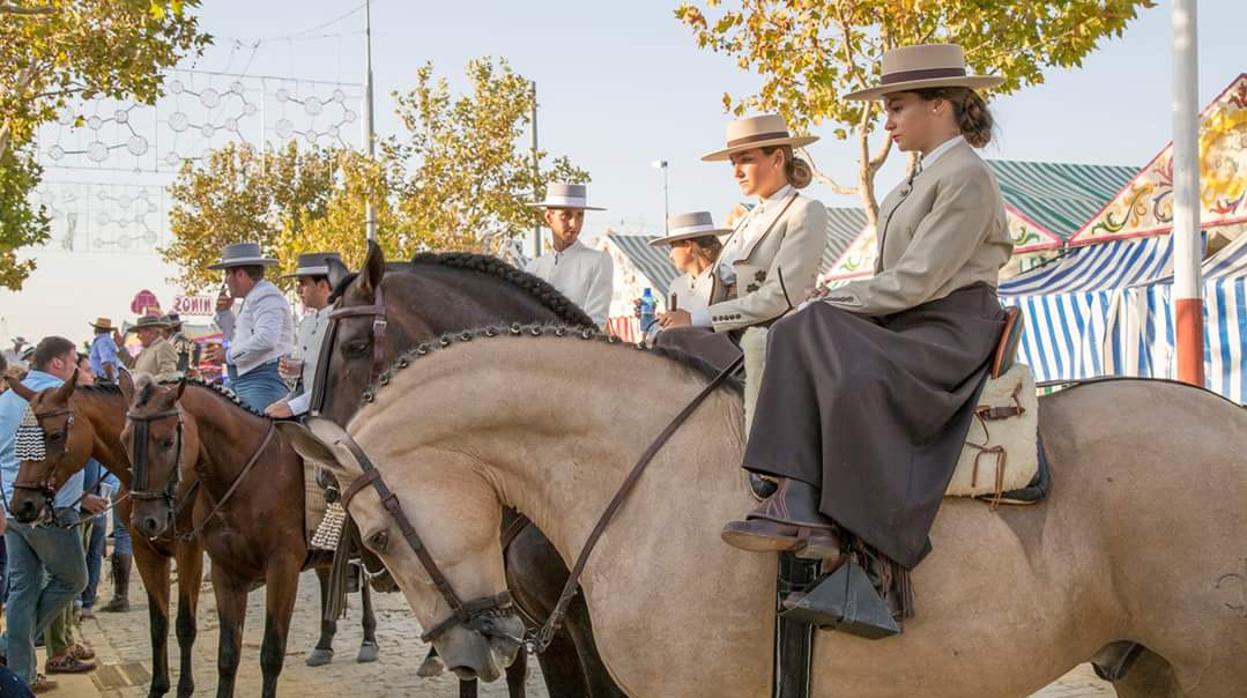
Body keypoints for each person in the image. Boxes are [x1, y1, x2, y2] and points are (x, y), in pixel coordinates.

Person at [721, 44, 1013, 634]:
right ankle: (797, 495)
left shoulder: (966, 176)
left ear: (940, 104)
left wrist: (837, 299)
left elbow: (922, 278)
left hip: (948, 328)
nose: (887, 121)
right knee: (802, 328)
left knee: (807, 324)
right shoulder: (924, 174)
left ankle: (823, 519)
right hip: (917, 317)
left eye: (897, 107)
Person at [659, 113, 829, 432]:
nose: (736, 171)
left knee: (676, 339)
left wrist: (695, 320)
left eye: (746, 160)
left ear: (777, 157)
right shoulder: (746, 221)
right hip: (729, 339)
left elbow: (778, 298)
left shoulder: (804, 212)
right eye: (733, 163)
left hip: (771, 343)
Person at [0, 337, 108, 692]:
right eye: (75, 360)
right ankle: (10, 647)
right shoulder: (65, 400)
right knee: (73, 579)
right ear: (58, 364)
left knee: (22, 589)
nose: (78, 368)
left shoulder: (5, 401)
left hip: (11, 506)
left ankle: (22, 673)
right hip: (50, 507)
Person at [642, 211, 741, 371]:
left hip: (723, 367)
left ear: (688, 245)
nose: (670, 255)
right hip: (684, 366)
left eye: (673, 246)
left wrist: (690, 320)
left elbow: (740, 314)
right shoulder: (676, 285)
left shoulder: (728, 276)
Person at [204, 242, 294, 412]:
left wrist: (229, 355)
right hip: (246, 379)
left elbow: (267, 339)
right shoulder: (256, 297)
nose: (225, 281)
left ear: (240, 274)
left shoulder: (266, 296)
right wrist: (223, 313)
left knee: (257, 435)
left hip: (262, 381)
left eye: (227, 274)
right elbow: (239, 337)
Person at [526, 183, 614, 328]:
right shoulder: (533, 268)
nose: (574, 224)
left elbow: (595, 322)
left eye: (580, 215)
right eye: (566, 215)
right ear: (549, 217)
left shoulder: (599, 262)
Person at [265, 252, 342, 419]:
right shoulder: (307, 323)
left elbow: (337, 380)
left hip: (336, 418)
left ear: (322, 286)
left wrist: (291, 407)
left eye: (303, 283)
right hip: (307, 412)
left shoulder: (341, 323)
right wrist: (286, 400)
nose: (298, 290)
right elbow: (303, 382)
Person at [118, 316, 179, 381]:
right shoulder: (146, 349)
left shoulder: (164, 347)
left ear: (150, 333)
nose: (138, 336)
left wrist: (145, 382)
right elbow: (132, 366)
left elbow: (169, 375)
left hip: (153, 390)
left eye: (140, 333)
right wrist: (121, 347)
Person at [162, 313, 200, 379]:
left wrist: (192, 367)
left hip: (178, 378)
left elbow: (195, 346)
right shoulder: (173, 341)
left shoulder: (179, 341)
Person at [86, 318, 122, 383]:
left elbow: (107, 363)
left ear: (96, 329)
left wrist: (111, 381)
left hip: (103, 380)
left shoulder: (102, 341)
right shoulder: (104, 341)